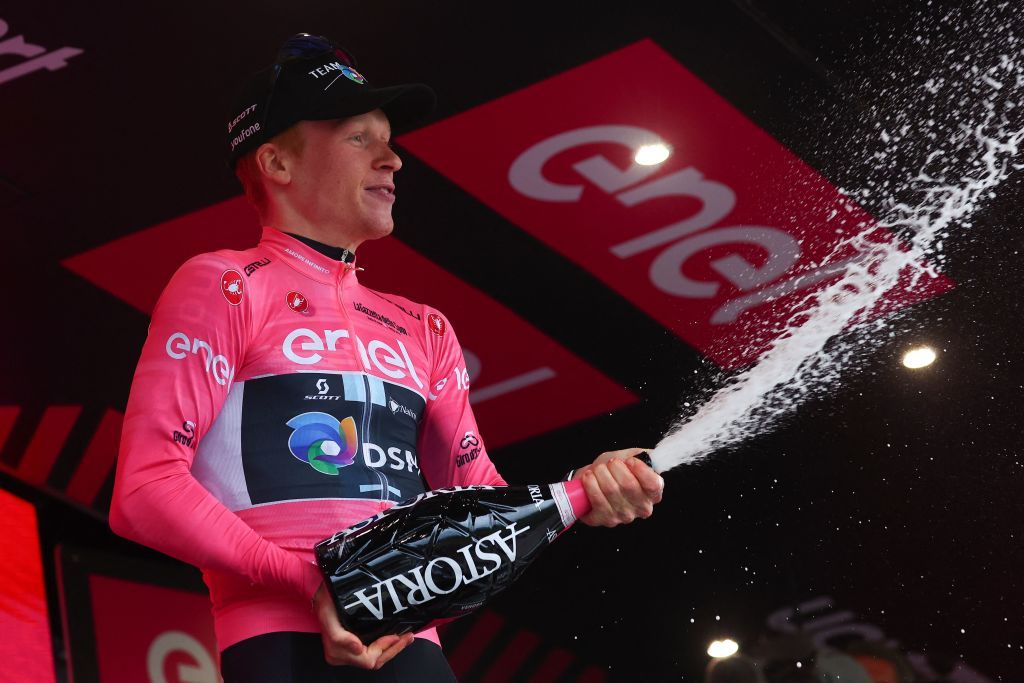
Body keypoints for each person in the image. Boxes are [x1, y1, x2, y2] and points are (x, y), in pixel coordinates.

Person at [109, 32, 664, 682]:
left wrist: (582, 493)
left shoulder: (424, 327)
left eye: (388, 138)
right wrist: (318, 582)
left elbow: (479, 496)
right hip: (280, 642)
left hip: (410, 645)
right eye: (359, 138)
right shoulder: (226, 283)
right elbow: (144, 489)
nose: (393, 158)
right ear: (277, 164)